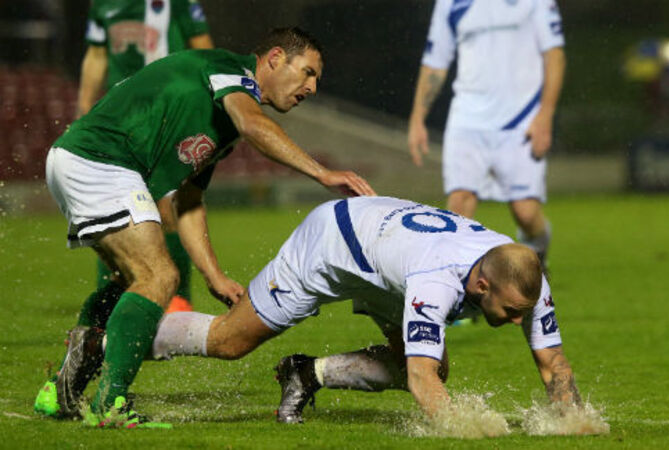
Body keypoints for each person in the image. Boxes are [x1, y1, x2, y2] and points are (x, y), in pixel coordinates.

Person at [33, 27, 376, 428]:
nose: (312, 87)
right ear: (275, 58)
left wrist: (214, 276)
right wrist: (322, 173)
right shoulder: (230, 72)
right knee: (159, 277)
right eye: (308, 72)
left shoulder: (224, 123)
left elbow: (189, 200)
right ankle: (110, 406)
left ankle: (61, 391)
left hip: (86, 160)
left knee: (130, 281)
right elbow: (254, 125)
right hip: (101, 160)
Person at [147, 196, 581, 424]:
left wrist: (572, 420)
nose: (519, 320)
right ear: (482, 285)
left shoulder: (524, 276)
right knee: (229, 341)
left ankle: (305, 374)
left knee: (429, 364)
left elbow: (553, 364)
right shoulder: (437, 282)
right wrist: (464, 427)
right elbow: (422, 380)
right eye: (512, 311)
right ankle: (123, 339)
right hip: (330, 246)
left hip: (389, 266)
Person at [78, 0, 215, 314]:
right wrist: (85, 111)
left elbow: (203, 48)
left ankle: (177, 299)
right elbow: (97, 55)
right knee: (113, 208)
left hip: (167, 107)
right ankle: (112, 302)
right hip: (120, 113)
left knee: (167, 203)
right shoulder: (102, 4)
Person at [407, 0, 566, 267]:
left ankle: (539, 259)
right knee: (459, 206)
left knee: (526, 213)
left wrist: (545, 115)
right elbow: (435, 62)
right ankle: (455, 282)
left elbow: (554, 55)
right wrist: (417, 118)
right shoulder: (449, 3)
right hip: (467, 120)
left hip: (521, 119)